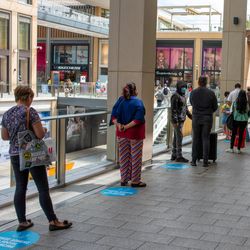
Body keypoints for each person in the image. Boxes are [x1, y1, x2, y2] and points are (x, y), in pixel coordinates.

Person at [1, 86, 72, 232]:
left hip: (15, 154)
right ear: (27, 97)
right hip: (31, 154)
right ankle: (53, 221)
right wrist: (44, 130)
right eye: (31, 98)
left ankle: (22, 222)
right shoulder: (30, 112)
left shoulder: (7, 114)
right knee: (42, 188)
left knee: (20, 187)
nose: (31, 101)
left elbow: (5, 136)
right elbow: (39, 134)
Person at [111, 82, 146, 187]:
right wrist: (126, 127)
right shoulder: (138, 102)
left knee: (123, 157)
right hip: (135, 134)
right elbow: (138, 119)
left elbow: (113, 116)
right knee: (135, 158)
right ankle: (135, 181)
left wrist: (119, 125)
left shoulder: (120, 100)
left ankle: (123, 179)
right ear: (135, 91)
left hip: (121, 134)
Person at [190, 76, 218, 167]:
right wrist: (209, 112)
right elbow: (215, 107)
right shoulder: (211, 93)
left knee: (195, 139)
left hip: (196, 117)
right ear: (206, 83)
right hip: (207, 118)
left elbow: (191, 103)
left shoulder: (193, 92)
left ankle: (193, 161)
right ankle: (205, 161)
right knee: (206, 139)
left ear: (198, 82)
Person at [170, 81, 192, 162]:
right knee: (180, 137)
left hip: (181, 120)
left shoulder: (183, 96)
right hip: (177, 121)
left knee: (176, 137)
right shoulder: (175, 96)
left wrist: (191, 117)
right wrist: (175, 121)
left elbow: (185, 109)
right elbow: (173, 110)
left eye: (185, 87)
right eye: (183, 87)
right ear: (179, 87)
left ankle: (174, 154)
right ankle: (179, 156)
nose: (184, 89)